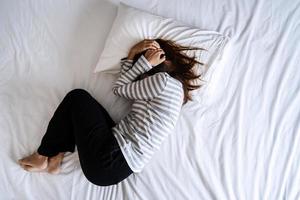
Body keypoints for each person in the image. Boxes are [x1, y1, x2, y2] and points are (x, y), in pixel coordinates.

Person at [18, 39, 204, 186]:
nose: (148, 59)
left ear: (165, 57)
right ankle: (56, 159)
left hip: (110, 160)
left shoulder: (162, 81)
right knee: (85, 107)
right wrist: (134, 58)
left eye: (153, 54)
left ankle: (42, 156)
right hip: (117, 164)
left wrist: (140, 60)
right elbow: (126, 86)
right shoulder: (175, 93)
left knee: (78, 97)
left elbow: (119, 89)